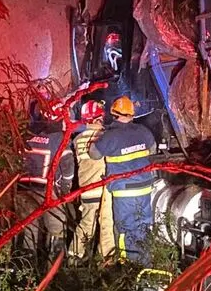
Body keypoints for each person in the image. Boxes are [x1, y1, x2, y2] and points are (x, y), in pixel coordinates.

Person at [89, 96, 156, 265]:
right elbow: (152, 150)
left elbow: (93, 154)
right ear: (132, 114)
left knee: (126, 230)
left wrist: (99, 136)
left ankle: (128, 268)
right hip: (145, 188)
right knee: (144, 226)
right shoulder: (144, 131)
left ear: (113, 114)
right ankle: (146, 265)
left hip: (124, 191)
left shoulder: (110, 136)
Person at [17, 101, 75, 259]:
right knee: (57, 227)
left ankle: (26, 271)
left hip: (23, 189)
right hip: (47, 191)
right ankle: (53, 271)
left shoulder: (25, 133)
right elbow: (68, 167)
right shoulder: (59, 138)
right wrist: (65, 188)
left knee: (28, 229)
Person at [72, 100, 115, 259]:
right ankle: (105, 259)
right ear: (97, 118)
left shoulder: (78, 140)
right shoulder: (102, 136)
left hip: (87, 188)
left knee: (86, 225)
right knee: (106, 226)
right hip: (102, 189)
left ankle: (74, 256)